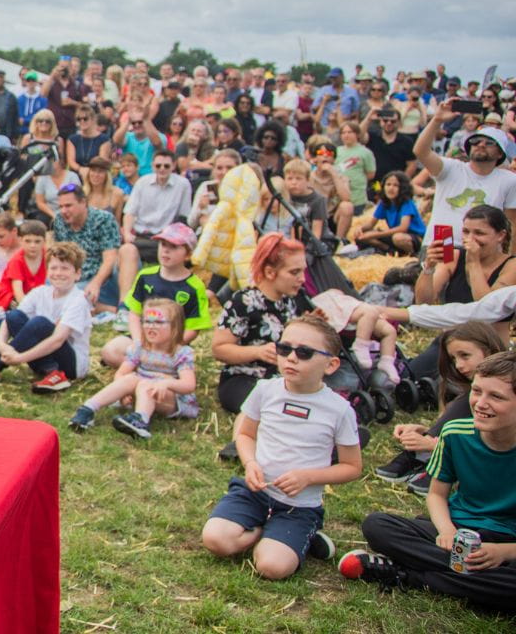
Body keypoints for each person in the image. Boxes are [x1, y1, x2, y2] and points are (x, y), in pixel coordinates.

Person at [344, 352, 516, 612]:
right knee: (377, 525)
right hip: (458, 528)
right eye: (477, 391)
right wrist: (447, 530)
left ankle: (409, 574)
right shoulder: (455, 433)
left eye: (497, 397)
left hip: (508, 540)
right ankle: (474, 581)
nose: (480, 403)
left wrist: (502, 553)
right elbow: (436, 495)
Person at [201, 316, 361, 580]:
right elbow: (245, 434)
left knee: (272, 568)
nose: (291, 358)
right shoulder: (266, 390)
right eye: (284, 348)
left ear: (331, 364)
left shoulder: (339, 410)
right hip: (255, 492)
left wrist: (308, 477)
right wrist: (250, 463)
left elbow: (352, 467)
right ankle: (269, 532)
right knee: (215, 540)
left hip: (299, 506)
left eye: (305, 352)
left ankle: (291, 536)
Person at [375, 323, 506, 495]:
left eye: (465, 355)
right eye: (453, 359)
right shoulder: (462, 389)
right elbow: (469, 426)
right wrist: (426, 432)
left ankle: (428, 459)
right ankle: (425, 458)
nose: (458, 365)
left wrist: (433, 445)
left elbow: (502, 439)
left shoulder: (508, 386)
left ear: (489, 351)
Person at [0, 241, 91, 393]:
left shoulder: (78, 300)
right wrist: (2, 345)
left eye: (65, 268)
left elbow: (57, 340)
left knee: (40, 323)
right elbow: (10, 320)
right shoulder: (40, 292)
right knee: (14, 316)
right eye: (54, 268)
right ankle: (53, 373)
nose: (58, 273)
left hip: (72, 364)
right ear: (47, 270)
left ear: (77, 274)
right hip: (47, 356)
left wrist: (20, 358)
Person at [211, 234, 313, 416]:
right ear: (269, 272)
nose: (302, 279)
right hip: (244, 377)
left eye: (302, 271)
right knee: (272, 406)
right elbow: (219, 349)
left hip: (283, 379)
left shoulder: (291, 302)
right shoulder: (244, 302)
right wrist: (257, 352)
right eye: (294, 272)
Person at [68, 298, 197, 439]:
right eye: (147, 321)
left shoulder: (181, 353)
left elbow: (189, 385)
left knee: (145, 384)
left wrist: (166, 383)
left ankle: (141, 422)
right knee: (130, 378)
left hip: (170, 400)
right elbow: (121, 373)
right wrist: (123, 394)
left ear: (175, 327)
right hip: (142, 391)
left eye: (159, 322)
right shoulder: (139, 348)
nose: (151, 326)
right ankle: (88, 408)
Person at [98, 222, 210, 368]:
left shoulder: (195, 286)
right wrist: (139, 342)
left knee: (177, 362)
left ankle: (147, 370)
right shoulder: (146, 276)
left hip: (173, 345)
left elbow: (193, 328)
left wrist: (169, 345)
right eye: (163, 245)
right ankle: (146, 370)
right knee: (110, 351)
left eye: (174, 247)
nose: (165, 251)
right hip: (144, 338)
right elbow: (134, 314)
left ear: (188, 254)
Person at [415, 107, 516, 251]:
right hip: (443, 244)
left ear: (500, 154)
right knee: (438, 273)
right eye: (476, 141)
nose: (481, 145)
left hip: (483, 252)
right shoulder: (451, 168)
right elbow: (421, 151)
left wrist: (510, 262)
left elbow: (512, 225)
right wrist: (437, 120)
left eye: (489, 143)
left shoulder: (510, 180)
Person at [116, 149, 192, 304]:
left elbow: (183, 218)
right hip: (141, 235)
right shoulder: (142, 183)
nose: (162, 169)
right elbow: (130, 212)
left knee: (170, 250)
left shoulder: (183, 184)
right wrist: (128, 234)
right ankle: (125, 304)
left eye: (166, 166)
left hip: (166, 237)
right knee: (127, 249)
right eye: (158, 166)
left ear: (173, 166)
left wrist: (171, 238)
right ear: (152, 166)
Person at [52, 185, 120, 312]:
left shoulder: (103, 219)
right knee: (49, 289)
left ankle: (117, 308)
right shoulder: (59, 221)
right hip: (74, 277)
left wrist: (96, 283)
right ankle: (108, 309)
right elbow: (59, 255)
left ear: (83, 202)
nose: (63, 211)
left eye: (68, 206)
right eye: (60, 207)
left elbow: (110, 259)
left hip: (103, 278)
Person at [357, 170, 423, 254]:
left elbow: (403, 228)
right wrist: (360, 229)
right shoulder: (384, 203)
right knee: (362, 236)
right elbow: (371, 224)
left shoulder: (407, 203)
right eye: (388, 184)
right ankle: (390, 250)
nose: (391, 188)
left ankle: (412, 254)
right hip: (394, 236)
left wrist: (374, 235)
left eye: (396, 185)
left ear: (403, 188)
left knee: (398, 238)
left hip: (413, 237)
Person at [0, 218, 47, 310]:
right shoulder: (17, 260)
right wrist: (29, 308)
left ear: (44, 241)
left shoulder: (48, 256)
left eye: (37, 241)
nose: (32, 245)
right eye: (28, 241)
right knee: (15, 307)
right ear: (20, 240)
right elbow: (17, 290)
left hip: (36, 293)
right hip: (12, 295)